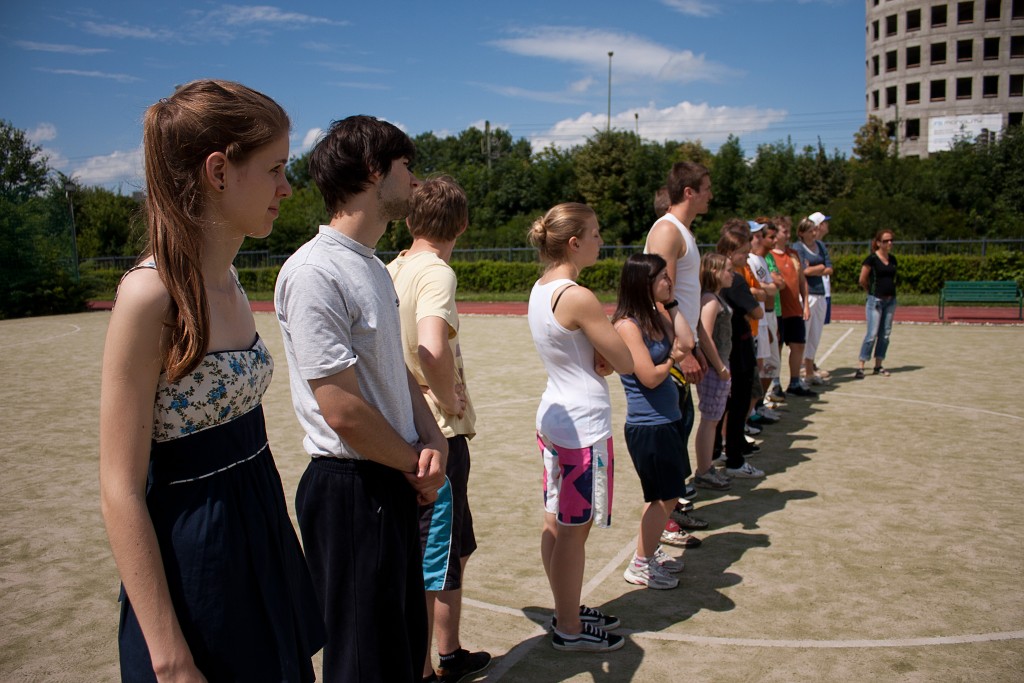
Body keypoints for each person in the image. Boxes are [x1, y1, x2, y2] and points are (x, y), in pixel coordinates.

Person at [99, 79, 324, 681]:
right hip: (198, 566)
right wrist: (169, 656)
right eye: (275, 169)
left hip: (260, 535)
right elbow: (119, 487)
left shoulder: (230, 280)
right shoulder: (151, 296)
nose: (286, 187)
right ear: (219, 171)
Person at [274, 116, 448, 683]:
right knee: (361, 661)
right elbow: (341, 410)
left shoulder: (371, 264)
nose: (415, 180)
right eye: (406, 166)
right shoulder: (314, 271)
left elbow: (394, 369)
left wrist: (434, 438)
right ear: (374, 170)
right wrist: (416, 463)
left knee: (402, 648)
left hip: (391, 476)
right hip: (352, 489)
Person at [386, 176, 491, 682]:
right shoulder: (436, 272)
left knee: (451, 550)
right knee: (434, 558)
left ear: (409, 220)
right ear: (462, 225)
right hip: (438, 435)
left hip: (404, 425)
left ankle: (447, 653)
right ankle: (423, 670)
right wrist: (448, 397)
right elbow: (430, 348)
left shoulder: (391, 268)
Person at [527, 203, 634, 652]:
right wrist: (610, 346)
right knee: (575, 528)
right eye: (595, 234)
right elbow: (625, 360)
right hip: (582, 427)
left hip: (555, 416)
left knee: (556, 521)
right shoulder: (577, 296)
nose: (600, 241)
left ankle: (565, 609)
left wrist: (599, 352)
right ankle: (569, 628)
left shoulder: (540, 288)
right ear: (573, 242)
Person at [644, 162, 714, 537]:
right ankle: (666, 518)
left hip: (680, 342)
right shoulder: (667, 231)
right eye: (706, 188)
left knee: (680, 429)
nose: (710, 195)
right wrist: (681, 351)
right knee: (669, 435)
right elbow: (660, 296)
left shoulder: (681, 231)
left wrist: (694, 345)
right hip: (666, 348)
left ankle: (675, 505)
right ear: (689, 192)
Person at [612, 254, 689, 590]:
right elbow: (650, 376)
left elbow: (687, 341)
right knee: (663, 497)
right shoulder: (628, 325)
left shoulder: (656, 316)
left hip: (668, 420)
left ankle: (649, 549)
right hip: (648, 425)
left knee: (667, 494)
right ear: (644, 283)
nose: (668, 281)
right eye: (662, 278)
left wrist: (671, 304)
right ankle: (640, 564)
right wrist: (672, 358)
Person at [715, 224, 765, 479]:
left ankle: (716, 451)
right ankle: (734, 458)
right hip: (738, 349)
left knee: (720, 406)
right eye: (743, 253)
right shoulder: (734, 280)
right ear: (730, 253)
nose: (747, 257)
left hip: (725, 348)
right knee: (738, 404)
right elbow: (757, 311)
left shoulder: (713, 277)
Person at [693, 253, 735, 491]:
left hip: (718, 366)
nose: (732, 274)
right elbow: (705, 335)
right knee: (710, 420)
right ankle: (704, 470)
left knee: (712, 419)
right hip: (713, 369)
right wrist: (720, 367)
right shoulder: (710, 300)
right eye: (728, 269)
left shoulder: (714, 297)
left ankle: (706, 467)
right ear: (715, 272)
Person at [771, 217, 815, 397]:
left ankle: (795, 382)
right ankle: (775, 383)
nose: (788, 235)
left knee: (798, 345)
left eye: (789, 231)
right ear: (775, 234)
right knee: (777, 348)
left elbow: (802, 281)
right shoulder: (769, 255)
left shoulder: (793, 254)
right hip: (778, 310)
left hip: (795, 308)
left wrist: (806, 303)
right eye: (785, 231)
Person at [792, 217, 833, 388]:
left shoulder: (821, 246)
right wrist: (819, 268)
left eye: (815, 230)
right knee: (804, 335)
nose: (814, 233)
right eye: (810, 231)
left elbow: (829, 268)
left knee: (815, 335)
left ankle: (810, 372)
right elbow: (803, 271)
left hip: (820, 294)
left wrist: (815, 269)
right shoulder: (797, 247)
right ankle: (799, 373)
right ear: (801, 233)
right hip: (806, 295)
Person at [855, 229, 898, 379]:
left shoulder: (893, 259)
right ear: (878, 243)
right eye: (886, 241)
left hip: (890, 300)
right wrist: (870, 291)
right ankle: (861, 366)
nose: (889, 243)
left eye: (891, 240)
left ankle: (878, 365)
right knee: (871, 334)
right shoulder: (871, 259)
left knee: (885, 334)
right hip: (875, 301)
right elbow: (862, 279)